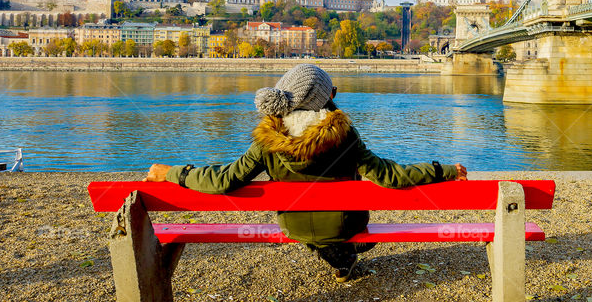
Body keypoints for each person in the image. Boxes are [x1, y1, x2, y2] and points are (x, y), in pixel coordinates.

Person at [143, 63, 467, 281]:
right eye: (332, 92)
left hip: (293, 225)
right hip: (345, 223)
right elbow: (390, 176)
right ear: (326, 99)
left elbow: (223, 180)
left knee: (310, 214)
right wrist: (445, 171)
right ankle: (345, 252)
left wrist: (173, 173)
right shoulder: (344, 135)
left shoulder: (268, 141)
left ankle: (341, 254)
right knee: (348, 209)